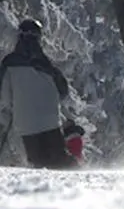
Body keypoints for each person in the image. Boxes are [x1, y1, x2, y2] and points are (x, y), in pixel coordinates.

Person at [0, 19, 78, 170]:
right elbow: (63, 91)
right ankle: (75, 174)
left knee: (39, 161)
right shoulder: (46, 64)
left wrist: (13, 108)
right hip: (50, 119)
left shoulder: (9, 63)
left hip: (25, 122)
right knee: (59, 159)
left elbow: (4, 96)